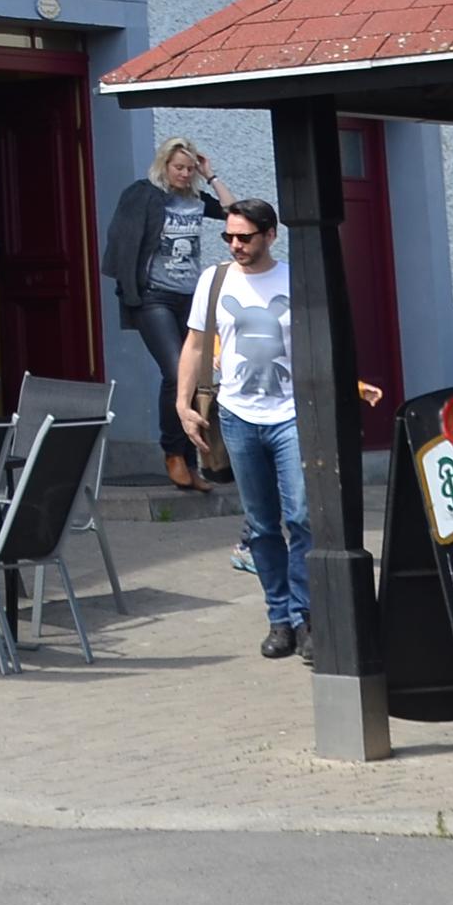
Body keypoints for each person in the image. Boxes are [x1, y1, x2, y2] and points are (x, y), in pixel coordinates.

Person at [177, 199, 333, 661]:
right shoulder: (215, 279)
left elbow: (320, 341)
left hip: (290, 414)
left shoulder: (294, 278)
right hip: (237, 414)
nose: (236, 245)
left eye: (245, 236)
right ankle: (279, 619)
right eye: (229, 237)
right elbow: (196, 343)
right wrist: (182, 404)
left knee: (302, 515)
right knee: (262, 525)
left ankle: (308, 618)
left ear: (270, 235)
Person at [103, 137, 230, 490]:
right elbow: (121, 240)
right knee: (177, 372)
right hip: (154, 297)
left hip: (191, 298)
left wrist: (211, 176)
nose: (184, 174)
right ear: (164, 165)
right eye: (179, 168)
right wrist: (130, 290)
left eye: (190, 169)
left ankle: (191, 462)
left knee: (194, 377)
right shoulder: (145, 194)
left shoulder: (195, 200)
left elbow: (236, 214)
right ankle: (173, 454)